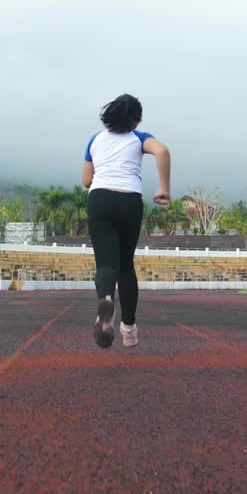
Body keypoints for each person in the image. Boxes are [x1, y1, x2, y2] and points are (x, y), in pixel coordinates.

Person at [82, 94, 171, 348]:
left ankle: (106, 301)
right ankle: (129, 328)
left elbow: (86, 180)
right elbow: (162, 151)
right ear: (137, 120)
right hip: (129, 200)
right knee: (125, 266)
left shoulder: (95, 140)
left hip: (99, 200)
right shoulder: (140, 138)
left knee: (106, 265)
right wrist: (164, 187)